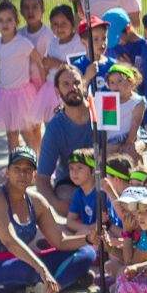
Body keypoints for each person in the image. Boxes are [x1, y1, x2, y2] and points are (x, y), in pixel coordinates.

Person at [0, 147, 96, 293]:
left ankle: (54, 288)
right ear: (7, 172)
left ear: (34, 175)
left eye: (28, 170)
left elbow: (60, 241)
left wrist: (89, 239)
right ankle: (68, 279)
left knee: (87, 252)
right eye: (17, 169)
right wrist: (42, 269)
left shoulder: (37, 202)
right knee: (30, 269)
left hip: (24, 260)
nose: (22, 174)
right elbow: (10, 241)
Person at [35, 66, 96, 209]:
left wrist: (136, 145)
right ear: (57, 91)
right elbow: (42, 179)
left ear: (84, 84)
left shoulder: (102, 109)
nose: (72, 88)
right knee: (67, 198)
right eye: (66, 84)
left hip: (105, 178)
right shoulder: (55, 127)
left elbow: (139, 137)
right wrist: (56, 204)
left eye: (76, 82)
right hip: (71, 181)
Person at [0, 0, 43, 153]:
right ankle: (14, 163)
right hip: (4, 94)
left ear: (16, 22)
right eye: (0, 20)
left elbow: (39, 62)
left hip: (22, 95)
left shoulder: (23, 43)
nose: (5, 24)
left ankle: (36, 163)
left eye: (9, 20)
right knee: (11, 134)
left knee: (28, 133)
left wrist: (43, 86)